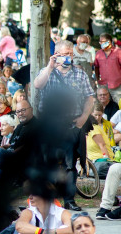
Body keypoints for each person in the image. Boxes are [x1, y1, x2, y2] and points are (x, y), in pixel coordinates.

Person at [34, 40, 95, 211]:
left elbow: (89, 97)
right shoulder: (48, 71)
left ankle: (69, 200)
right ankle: (49, 199)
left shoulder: (79, 73)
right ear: (56, 54)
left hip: (72, 124)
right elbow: (38, 84)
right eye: (64, 54)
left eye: (70, 53)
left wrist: (83, 117)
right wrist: (50, 66)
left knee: (70, 164)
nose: (68, 57)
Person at [94, 32, 121, 102]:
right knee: (102, 105)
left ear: (109, 42)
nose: (100, 43)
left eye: (102, 41)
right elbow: (96, 67)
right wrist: (97, 79)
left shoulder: (118, 52)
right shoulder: (98, 53)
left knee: (118, 105)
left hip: (116, 85)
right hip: (103, 84)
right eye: (99, 41)